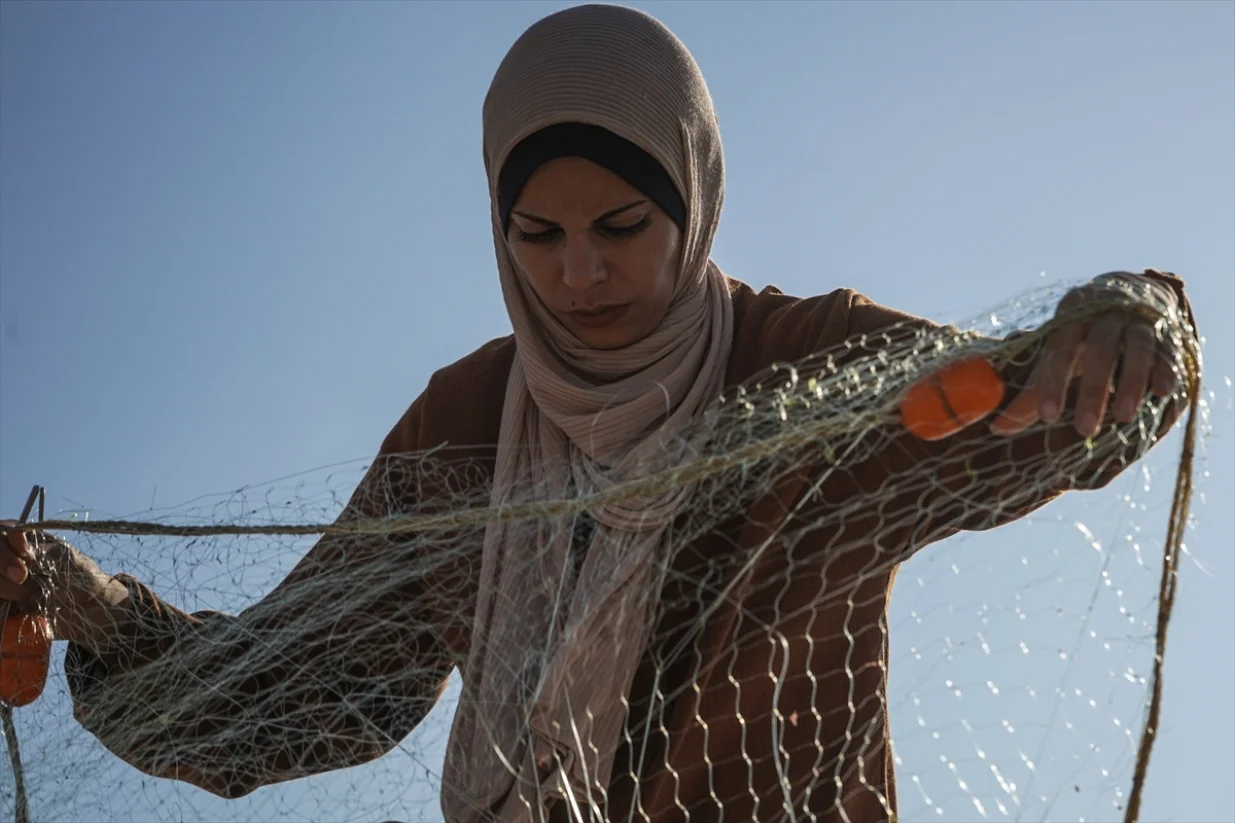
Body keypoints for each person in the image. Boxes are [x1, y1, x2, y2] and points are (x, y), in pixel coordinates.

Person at [0, 5, 1197, 823]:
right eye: (538, 236)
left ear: (694, 194)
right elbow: (292, 688)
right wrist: (84, 601)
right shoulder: (457, 427)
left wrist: (1128, 325)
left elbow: (1034, 410)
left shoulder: (801, 361)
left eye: (621, 227)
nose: (578, 276)